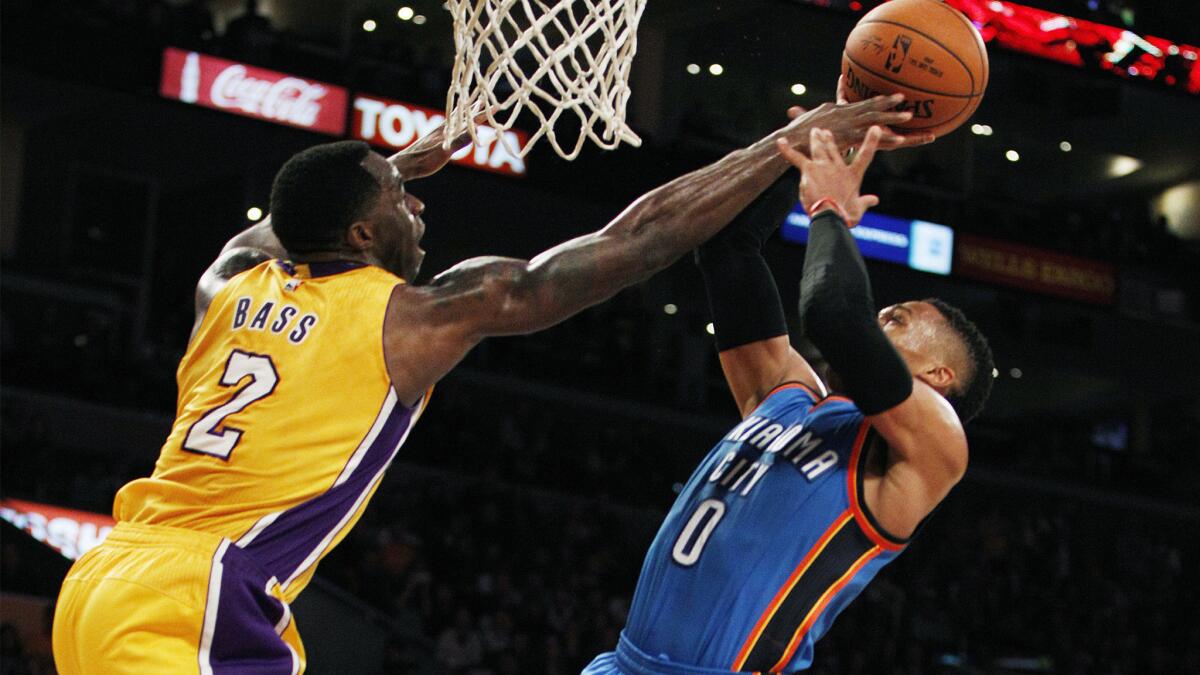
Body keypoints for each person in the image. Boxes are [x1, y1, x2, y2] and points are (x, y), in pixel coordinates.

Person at [50, 95, 928, 673]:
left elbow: (285, 225)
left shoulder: (231, 283)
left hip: (107, 576)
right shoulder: (416, 315)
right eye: (401, 199)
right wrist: (782, 147)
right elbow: (636, 239)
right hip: (199, 593)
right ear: (361, 231)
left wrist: (392, 168)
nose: (419, 204)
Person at [583, 124, 994, 673]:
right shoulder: (787, 395)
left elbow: (834, 314)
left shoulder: (932, 447)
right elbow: (728, 247)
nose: (879, 318)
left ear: (940, 375)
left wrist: (830, 209)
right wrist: (821, 133)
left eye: (897, 319)